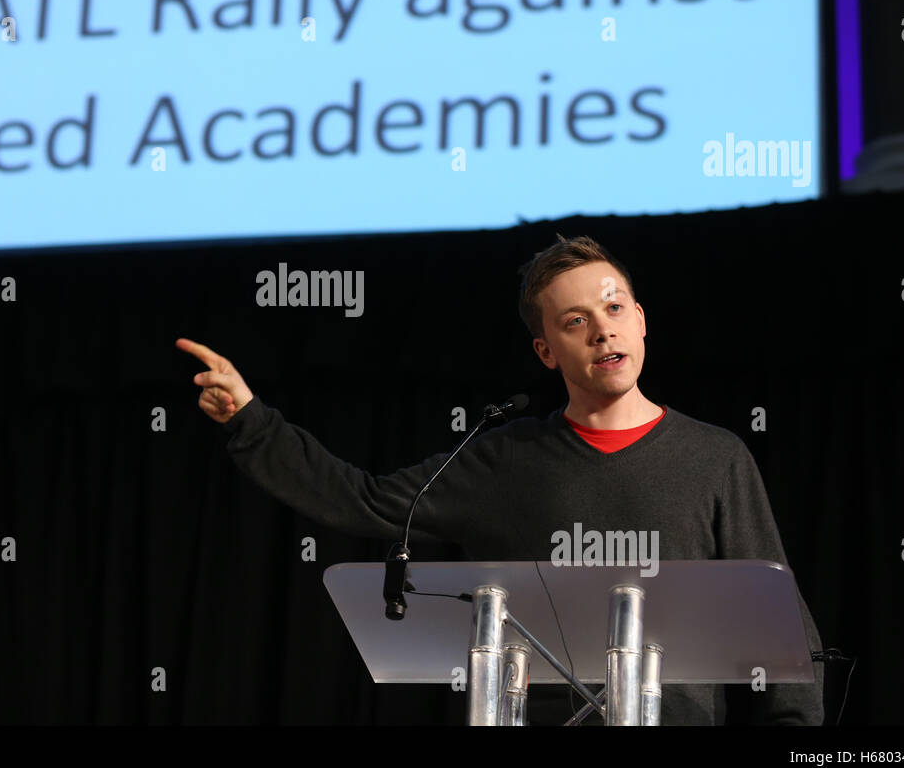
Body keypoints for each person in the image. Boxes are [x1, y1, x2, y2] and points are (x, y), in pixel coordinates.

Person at [176, 233, 824, 725]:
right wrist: (252, 420)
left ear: (641, 319)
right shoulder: (502, 460)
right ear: (546, 350)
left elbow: (778, 620)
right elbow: (364, 501)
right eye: (575, 321)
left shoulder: (716, 457)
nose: (603, 329)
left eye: (614, 308)